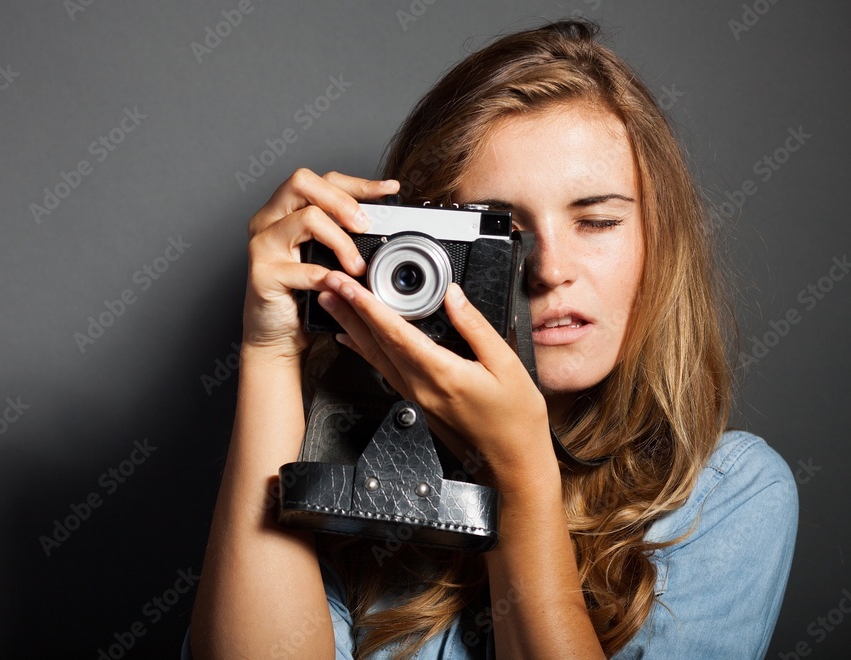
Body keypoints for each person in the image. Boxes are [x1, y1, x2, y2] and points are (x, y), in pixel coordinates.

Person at [186, 19, 798, 659]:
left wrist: (519, 473)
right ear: (416, 254)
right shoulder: (341, 462)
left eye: (597, 220)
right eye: (502, 233)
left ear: (657, 242)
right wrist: (269, 352)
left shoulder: (729, 497)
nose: (551, 268)